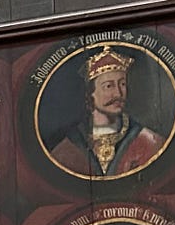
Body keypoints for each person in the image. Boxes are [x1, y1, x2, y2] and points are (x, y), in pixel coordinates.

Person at [47, 44, 166, 177]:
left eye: (122, 84)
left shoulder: (150, 142)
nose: (118, 93)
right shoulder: (66, 150)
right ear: (90, 95)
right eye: (108, 86)